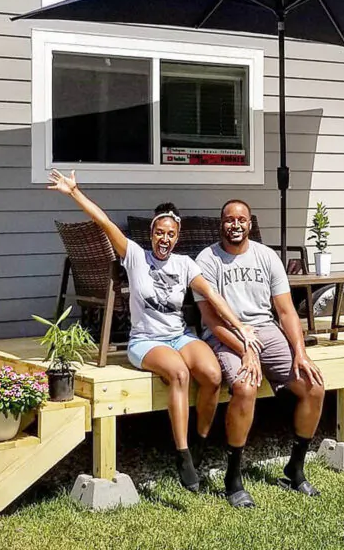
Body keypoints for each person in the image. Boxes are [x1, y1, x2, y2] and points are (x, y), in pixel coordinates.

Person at [47, 169, 261, 492]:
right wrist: (74, 192)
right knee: (178, 373)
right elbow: (104, 222)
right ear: (152, 233)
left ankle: (201, 442)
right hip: (145, 341)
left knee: (213, 375)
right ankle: (183, 454)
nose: (164, 239)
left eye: (170, 234)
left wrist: (240, 326)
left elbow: (213, 295)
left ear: (177, 237)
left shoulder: (185, 264)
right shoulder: (134, 256)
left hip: (179, 335)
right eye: (160, 233)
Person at [195, 199, 326, 508]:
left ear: (250, 224)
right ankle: (233, 477)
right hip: (225, 333)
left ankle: (295, 469)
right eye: (229, 219)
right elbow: (212, 320)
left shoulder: (267, 257)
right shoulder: (207, 260)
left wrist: (300, 352)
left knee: (314, 386)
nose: (235, 225)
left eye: (241, 219)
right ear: (221, 224)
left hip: (265, 330)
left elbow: (286, 311)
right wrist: (245, 348)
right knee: (244, 386)